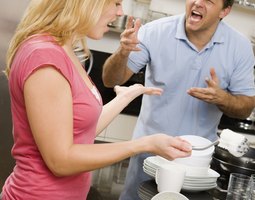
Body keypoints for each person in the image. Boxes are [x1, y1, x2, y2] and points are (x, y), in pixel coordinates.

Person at [0, 1, 193, 200]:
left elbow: (79, 130)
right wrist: (143, 144)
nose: (120, 12)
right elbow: (60, 161)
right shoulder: (44, 57)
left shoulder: (63, 49)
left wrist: (125, 97)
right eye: (116, 3)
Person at [102, 0, 255, 199]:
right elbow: (110, 80)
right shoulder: (154, 32)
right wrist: (123, 52)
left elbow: (246, 108)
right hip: (149, 155)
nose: (198, 3)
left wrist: (222, 98)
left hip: (197, 163)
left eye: (209, 1)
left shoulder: (239, 47)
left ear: (224, 11)